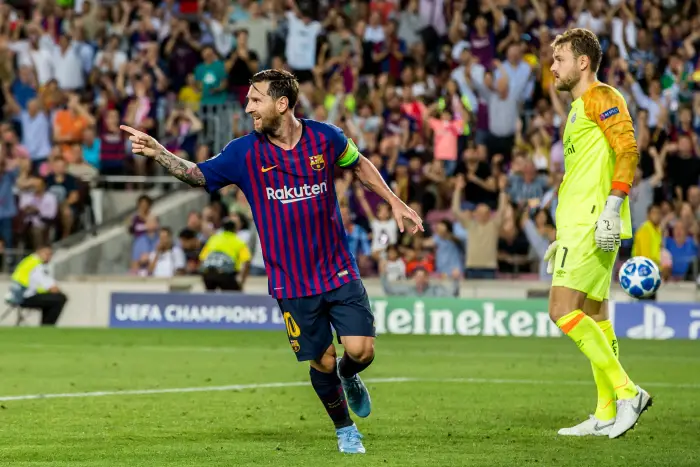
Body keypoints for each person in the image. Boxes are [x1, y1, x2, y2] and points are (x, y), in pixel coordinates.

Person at [120, 68, 424, 455]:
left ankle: (351, 375)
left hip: (337, 269)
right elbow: (197, 175)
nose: (248, 106)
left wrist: (394, 201)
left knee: (361, 351)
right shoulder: (243, 153)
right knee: (323, 361)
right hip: (292, 281)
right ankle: (345, 429)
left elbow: (359, 162)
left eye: (255, 98)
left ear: (282, 104)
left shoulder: (325, 137)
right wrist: (159, 152)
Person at [545, 28, 651, 439]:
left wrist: (610, 208)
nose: (553, 67)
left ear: (583, 62)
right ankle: (606, 411)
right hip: (579, 222)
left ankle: (628, 392)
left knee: (561, 311)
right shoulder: (575, 109)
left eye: (560, 59)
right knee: (594, 314)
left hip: (593, 221)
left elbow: (628, 150)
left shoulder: (602, 97)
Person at [7, 245, 67, 326]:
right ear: (39, 252)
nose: (49, 257)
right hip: (25, 297)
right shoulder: (36, 265)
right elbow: (52, 287)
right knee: (60, 298)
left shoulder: (29, 261)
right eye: (47, 254)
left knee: (52, 299)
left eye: (50, 254)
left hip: (18, 295)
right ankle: (47, 327)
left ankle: (46, 325)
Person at [199, 218, 251, 291]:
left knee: (210, 299)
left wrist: (203, 274)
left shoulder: (213, 239)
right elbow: (246, 261)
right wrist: (241, 281)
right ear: (235, 229)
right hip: (225, 274)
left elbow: (202, 258)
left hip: (208, 274)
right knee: (235, 298)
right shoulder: (239, 242)